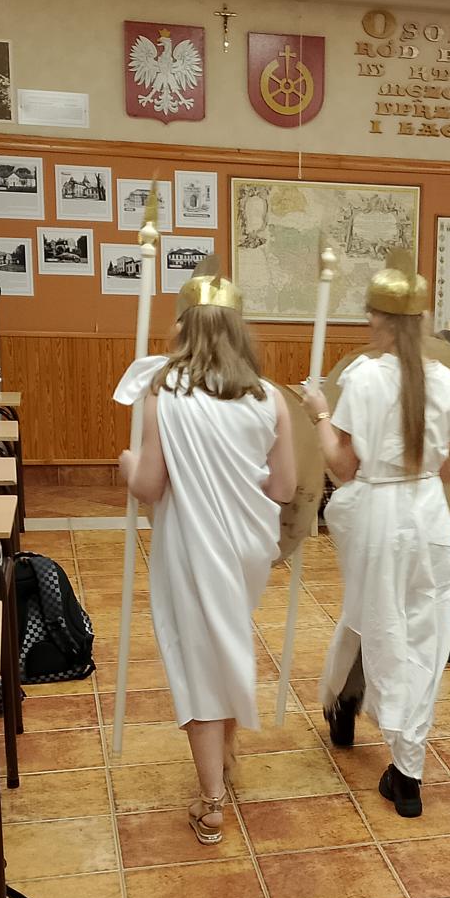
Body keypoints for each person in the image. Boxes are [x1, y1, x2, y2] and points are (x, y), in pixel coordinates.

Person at [117, 263, 295, 843]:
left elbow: (149, 486)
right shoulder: (269, 397)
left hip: (191, 545)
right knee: (223, 645)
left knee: (197, 663)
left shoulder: (163, 392)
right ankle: (226, 754)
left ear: (183, 328)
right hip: (246, 549)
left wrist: (127, 464)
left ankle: (212, 801)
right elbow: (284, 489)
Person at [303, 254, 450, 819]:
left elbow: (342, 466)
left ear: (378, 319)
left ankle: (381, 742)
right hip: (428, 513)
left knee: (379, 622)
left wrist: (319, 415)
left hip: (377, 511)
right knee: (419, 632)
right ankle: (385, 743)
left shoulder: (363, 378)